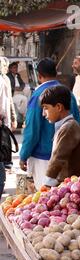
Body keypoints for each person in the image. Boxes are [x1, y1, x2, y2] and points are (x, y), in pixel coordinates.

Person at [19, 58, 80, 190]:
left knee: (47, 198)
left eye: (45, 109)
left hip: (43, 158)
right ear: (56, 73)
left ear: (39, 75)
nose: (43, 113)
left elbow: (32, 130)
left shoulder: (38, 95)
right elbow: (78, 123)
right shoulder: (68, 93)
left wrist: (23, 155)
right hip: (66, 162)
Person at [40, 85, 80, 187]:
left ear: (59, 107)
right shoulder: (66, 126)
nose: (43, 113)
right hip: (64, 183)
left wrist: (46, 185)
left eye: (46, 108)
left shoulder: (68, 128)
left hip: (66, 185)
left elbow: (58, 159)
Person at [0, 57, 17, 197]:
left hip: (3, 123)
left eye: (4, 64)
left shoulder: (5, 79)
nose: (4, 67)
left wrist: (13, 117)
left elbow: (9, 100)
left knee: (4, 154)